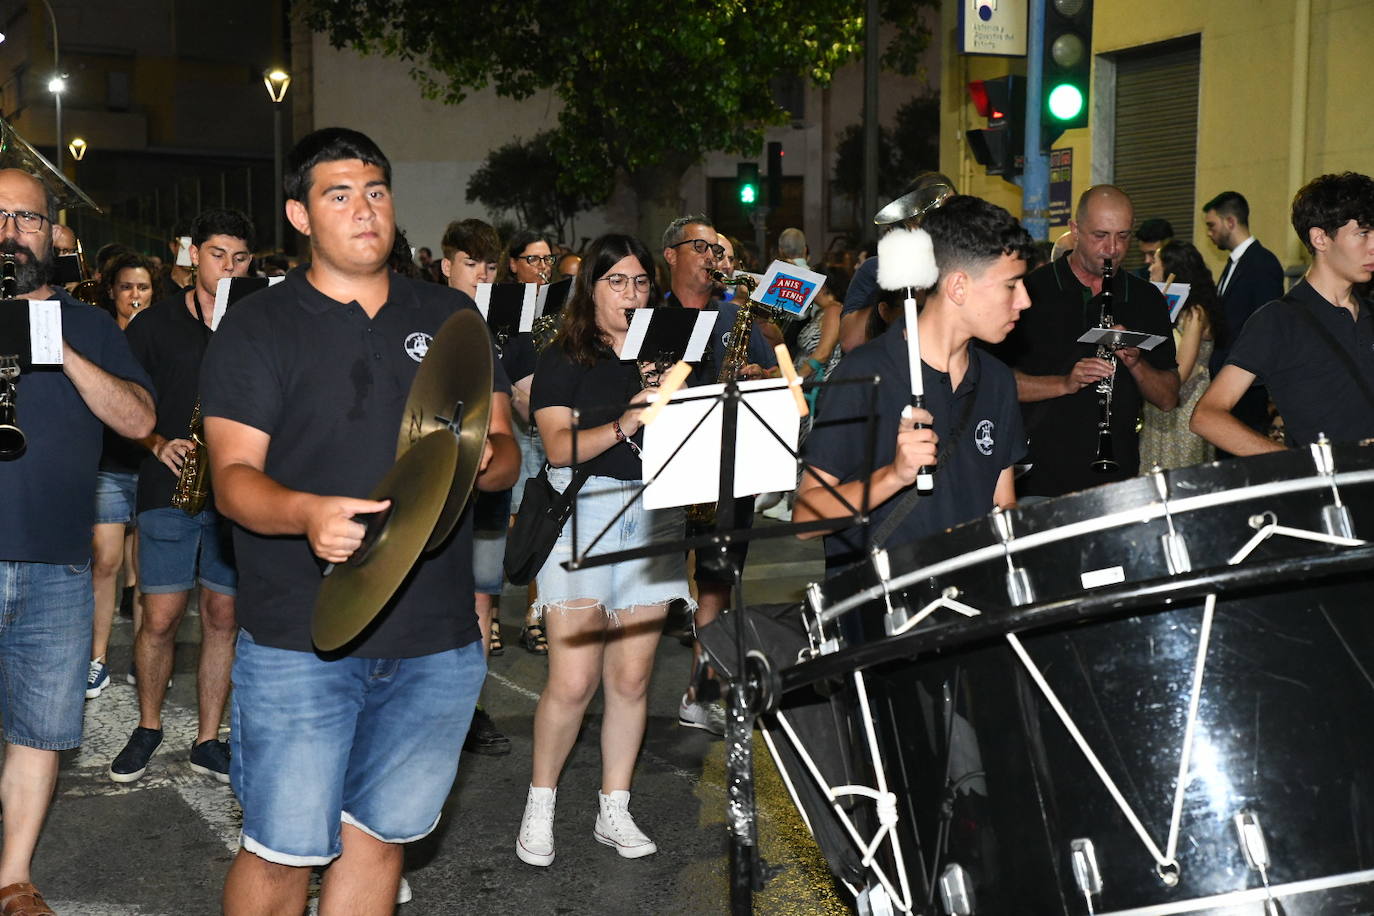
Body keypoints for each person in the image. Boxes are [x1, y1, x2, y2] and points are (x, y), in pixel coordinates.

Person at [202, 127, 518, 916]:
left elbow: (506, 447)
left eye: (375, 191)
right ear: (300, 216)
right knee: (281, 854)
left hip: (434, 639)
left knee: (379, 842)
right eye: (338, 195)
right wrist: (306, 513)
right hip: (300, 636)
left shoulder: (450, 316)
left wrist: (487, 461)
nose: (364, 210)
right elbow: (232, 479)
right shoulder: (258, 326)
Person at [0, 166, 155, 915]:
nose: (11, 233)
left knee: (40, 730)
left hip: (58, 564)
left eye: (26, 220)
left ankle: (14, 877)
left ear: (50, 234)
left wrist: (58, 346)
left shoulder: (89, 324)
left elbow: (135, 421)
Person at [517, 233, 693, 867]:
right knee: (571, 680)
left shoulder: (668, 355)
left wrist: (682, 396)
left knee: (632, 676)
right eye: (615, 282)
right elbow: (560, 448)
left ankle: (613, 808)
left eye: (641, 282)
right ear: (589, 290)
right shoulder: (565, 358)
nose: (630, 294)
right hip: (582, 514)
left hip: (654, 515)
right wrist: (633, 416)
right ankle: (541, 804)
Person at [795, 194, 1033, 571]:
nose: (1025, 300)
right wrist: (895, 475)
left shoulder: (998, 381)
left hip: (970, 601)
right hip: (878, 609)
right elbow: (806, 519)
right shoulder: (864, 373)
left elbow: (1003, 503)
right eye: (1011, 285)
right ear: (958, 287)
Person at [108, 209, 256, 786]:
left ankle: (207, 739)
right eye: (218, 254)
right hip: (168, 485)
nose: (228, 267)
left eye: (239, 258)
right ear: (194, 254)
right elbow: (120, 401)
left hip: (235, 493)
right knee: (162, 617)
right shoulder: (154, 324)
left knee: (224, 616)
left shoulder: (256, 322)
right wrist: (154, 441)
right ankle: (148, 726)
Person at [661, 214, 777, 736]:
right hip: (662, 461)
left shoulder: (735, 315)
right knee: (646, 588)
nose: (712, 257)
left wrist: (761, 371)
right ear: (671, 255)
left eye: (717, 249)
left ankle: (700, 693)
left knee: (716, 584)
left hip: (727, 463)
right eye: (700, 248)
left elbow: (780, 371)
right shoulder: (650, 313)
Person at [999, 185, 1180, 498]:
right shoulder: (1030, 291)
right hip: (1039, 483)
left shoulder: (1146, 298)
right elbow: (995, 383)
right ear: (1074, 230)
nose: (1112, 248)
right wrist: (1064, 383)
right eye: (1100, 235)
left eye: (1123, 236)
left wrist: (1136, 364)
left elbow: (1167, 398)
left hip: (1117, 483)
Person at [1192, 172, 1374, 454]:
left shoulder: (1368, 312)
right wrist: (1297, 467)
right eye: (1363, 233)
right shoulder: (1278, 320)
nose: (1373, 245)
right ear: (1320, 239)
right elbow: (1207, 416)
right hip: (1329, 494)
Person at [440, 216, 520, 756]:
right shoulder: (425, 316)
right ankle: (435, 707)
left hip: (486, 479)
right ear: (447, 266)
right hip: (436, 483)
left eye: (490, 266)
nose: (481, 275)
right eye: (471, 264)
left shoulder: (503, 326)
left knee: (482, 601)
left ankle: (470, 707)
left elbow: (512, 411)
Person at [86, 252, 157, 700]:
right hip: (109, 466)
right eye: (128, 287)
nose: (135, 295)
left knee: (148, 574)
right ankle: (96, 660)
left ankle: (145, 658)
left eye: (144, 287)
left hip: (152, 466)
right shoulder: (99, 335)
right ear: (112, 291)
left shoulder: (161, 335)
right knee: (106, 563)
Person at [1201, 190, 1285, 444]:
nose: (1209, 233)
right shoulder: (1233, 263)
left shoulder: (1262, 262)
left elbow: (1268, 325)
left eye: (1211, 225)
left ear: (1230, 222)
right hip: (1228, 378)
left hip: (1248, 383)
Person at [1138, 241, 1221, 470]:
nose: (1149, 267)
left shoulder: (1194, 313)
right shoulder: (1161, 306)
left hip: (1185, 408)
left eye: (1155, 261)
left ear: (1172, 268)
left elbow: (1182, 371)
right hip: (1160, 406)